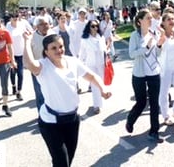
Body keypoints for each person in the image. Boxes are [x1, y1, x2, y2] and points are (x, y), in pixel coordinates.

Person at [23, 33, 111, 167]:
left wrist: (102, 89)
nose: (59, 50)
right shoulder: (43, 66)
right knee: (61, 162)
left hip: (72, 119)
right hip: (51, 122)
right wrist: (27, 41)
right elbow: (29, 64)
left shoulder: (72, 61)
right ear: (46, 52)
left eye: (61, 46)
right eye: (54, 48)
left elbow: (92, 76)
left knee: (68, 159)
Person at [126, 8, 166, 143]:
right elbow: (132, 54)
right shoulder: (134, 36)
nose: (151, 20)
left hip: (154, 72)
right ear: (139, 21)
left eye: (151, 18)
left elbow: (157, 54)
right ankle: (130, 120)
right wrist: (145, 48)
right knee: (141, 102)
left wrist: (159, 45)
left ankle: (154, 131)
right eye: (148, 18)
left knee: (155, 103)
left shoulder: (153, 34)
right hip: (139, 74)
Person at [79, 20, 107, 115]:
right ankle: (96, 105)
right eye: (93, 26)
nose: (95, 28)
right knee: (95, 85)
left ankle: (99, 102)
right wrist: (79, 64)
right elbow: (82, 53)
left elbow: (104, 51)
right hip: (91, 65)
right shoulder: (85, 39)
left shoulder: (101, 37)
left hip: (101, 64)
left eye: (96, 26)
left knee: (100, 84)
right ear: (89, 27)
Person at [6, 12, 33, 101]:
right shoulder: (8, 26)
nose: (15, 18)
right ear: (10, 18)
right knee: (13, 72)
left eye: (17, 16)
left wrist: (28, 33)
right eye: (13, 16)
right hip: (11, 54)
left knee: (20, 74)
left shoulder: (22, 24)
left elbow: (31, 32)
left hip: (21, 53)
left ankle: (19, 91)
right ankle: (13, 86)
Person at [31, 16, 54, 111]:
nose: (45, 26)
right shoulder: (31, 37)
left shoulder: (53, 35)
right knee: (40, 92)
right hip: (38, 68)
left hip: (52, 67)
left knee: (52, 91)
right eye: (41, 24)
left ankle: (52, 112)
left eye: (46, 24)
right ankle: (41, 113)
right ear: (36, 26)